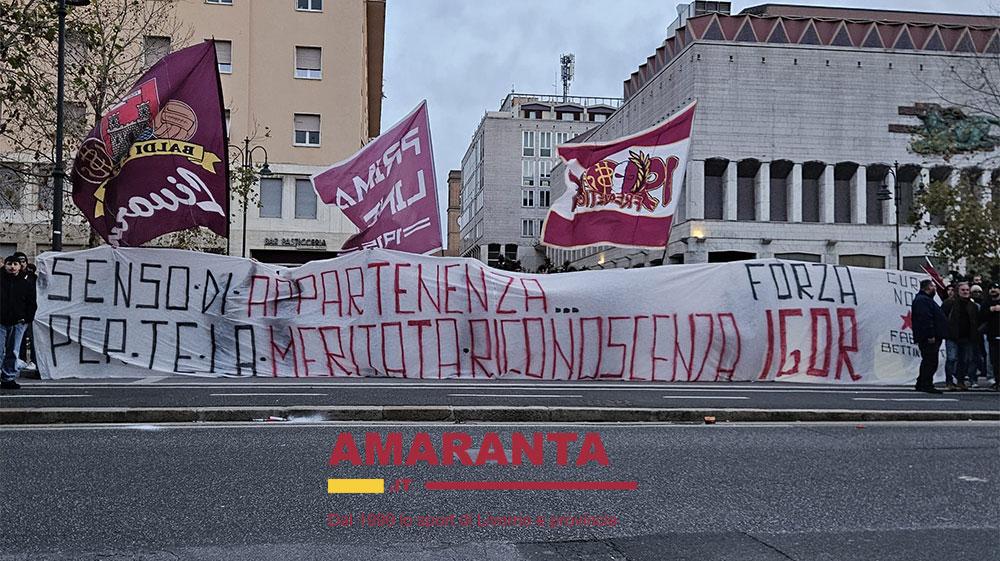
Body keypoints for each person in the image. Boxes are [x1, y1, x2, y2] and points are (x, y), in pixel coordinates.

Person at [0, 255, 37, 390]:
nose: (12, 267)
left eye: (15, 264)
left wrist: (28, 318)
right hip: (1, 321)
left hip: (18, 322)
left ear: (20, 266)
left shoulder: (26, 281)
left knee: (13, 351)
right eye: (9, 264)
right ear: (5, 265)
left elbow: (31, 301)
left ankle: (8, 378)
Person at [941, 282, 980, 391]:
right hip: (952, 336)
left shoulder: (973, 306)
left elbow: (977, 321)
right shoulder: (949, 303)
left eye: (967, 290)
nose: (965, 292)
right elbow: (942, 318)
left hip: (967, 337)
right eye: (963, 290)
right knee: (952, 358)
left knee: (965, 360)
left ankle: (960, 381)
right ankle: (949, 381)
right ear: (958, 291)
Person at [911, 279, 947, 394]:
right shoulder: (923, 300)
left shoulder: (925, 300)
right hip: (929, 337)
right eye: (933, 286)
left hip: (930, 336)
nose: (935, 289)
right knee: (930, 361)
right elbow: (926, 318)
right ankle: (926, 384)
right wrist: (930, 334)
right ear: (927, 287)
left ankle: (921, 382)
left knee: (928, 360)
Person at [980, 283, 1000, 391]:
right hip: (992, 336)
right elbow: (981, 317)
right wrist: (990, 310)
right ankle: (997, 381)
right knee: (995, 361)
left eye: (996, 288)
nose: (993, 290)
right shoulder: (986, 303)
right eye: (991, 288)